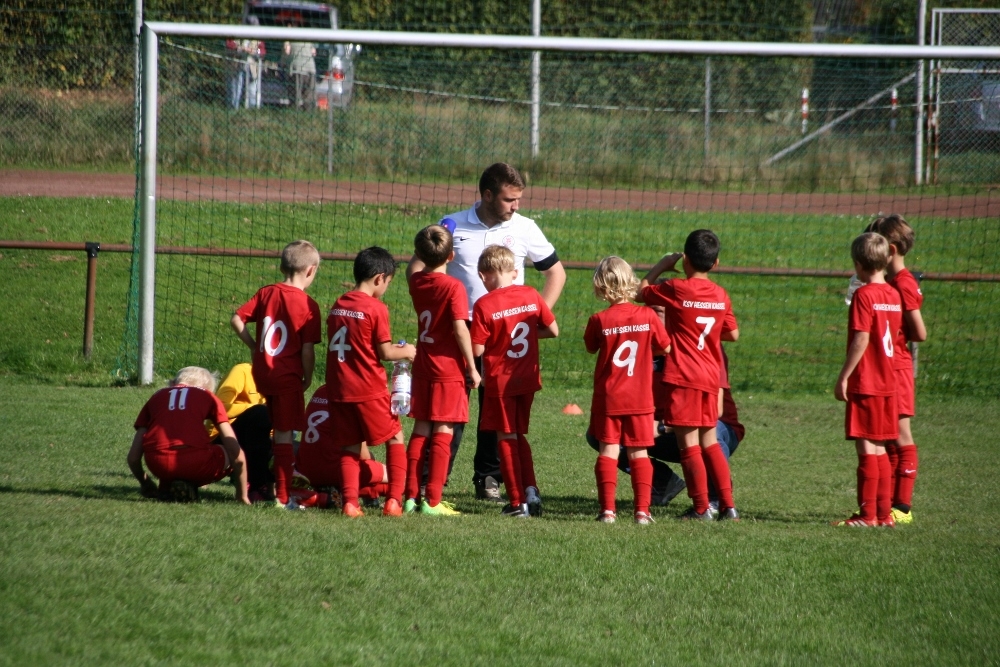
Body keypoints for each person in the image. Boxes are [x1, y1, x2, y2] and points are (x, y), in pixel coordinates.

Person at [406, 162, 566, 503]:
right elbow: (417, 268)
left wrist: (532, 318)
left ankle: (488, 478)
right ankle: (432, 480)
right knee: (449, 412)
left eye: (519, 199)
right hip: (459, 334)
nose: (516, 206)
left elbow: (556, 273)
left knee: (496, 414)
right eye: (510, 199)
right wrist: (430, 307)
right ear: (488, 195)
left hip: (505, 338)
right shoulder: (453, 224)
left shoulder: (525, 228)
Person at [636, 229, 740, 521]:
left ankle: (700, 508)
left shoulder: (677, 289)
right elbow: (732, 333)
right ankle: (728, 506)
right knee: (709, 442)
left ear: (684, 260)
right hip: (709, 375)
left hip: (683, 375)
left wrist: (661, 266)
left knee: (689, 445)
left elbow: (641, 291)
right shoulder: (720, 294)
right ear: (716, 263)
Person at [325, 246, 416, 518]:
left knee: (349, 447)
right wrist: (408, 351)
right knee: (395, 437)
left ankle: (350, 504)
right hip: (369, 388)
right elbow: (386, 352)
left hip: (340, 388)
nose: (386, 288)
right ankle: (394, 502)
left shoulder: (339, 304)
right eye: (387, 283)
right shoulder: (376, 308)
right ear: (379, 278)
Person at [231, 240, 322, 507]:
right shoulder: (308, 305)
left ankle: (267, 484)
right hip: (286, 377)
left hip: (263, 374)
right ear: (310, 271)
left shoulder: (266, 292)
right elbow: (307, 351)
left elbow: (236, 319)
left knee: (275, 428)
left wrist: (254, 346)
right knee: (284, 435)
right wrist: (307, 376)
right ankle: (283, 497)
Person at [470, 245, 559, 518]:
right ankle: (531, 490)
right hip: (527, 378)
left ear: (483, 277)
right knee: (519, 434)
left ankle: (517, 501)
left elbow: (476, 350)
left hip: (501, 381)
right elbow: (552, 330)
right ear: (515, 272)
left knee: (505, 437)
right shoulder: (531, 294)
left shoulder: (484, 304)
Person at [584, 256, 671, 524]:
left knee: (608, 451)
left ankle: (607, 511)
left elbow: (590, 346)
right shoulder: (647, 315)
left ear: (600, 287)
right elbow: (665, 347)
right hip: (640, 397)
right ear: (631, 281)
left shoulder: (599, 319)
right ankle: (642, 512)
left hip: (609, 397)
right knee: (639, 452)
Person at [404, 225, 480, 516]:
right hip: (448, 367)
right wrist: (472, 368)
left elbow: (415, 266)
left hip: (423, 363)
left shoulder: (416, 282)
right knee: (444, 428)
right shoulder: (453, 287)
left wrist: (423, 245)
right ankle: (433, 501)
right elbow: (460, 329)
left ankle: (411, 497)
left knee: (421, 427)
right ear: (452, 255)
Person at [833, 233, 904, 528]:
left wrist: (844, 377)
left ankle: (866, 515)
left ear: (859, 264)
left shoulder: (864, 296)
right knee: (880, 450)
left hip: (867, 381)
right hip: (889, 382)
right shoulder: (893, 294)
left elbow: (862, 339)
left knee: (867, 451)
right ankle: (884, 515)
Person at [864, 215, 926, 525]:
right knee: (887, 436)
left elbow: (919, 332)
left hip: (898, 368)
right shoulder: (890, 283)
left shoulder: (904, 283)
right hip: (886, 368)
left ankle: (902, 507)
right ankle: (885, 505)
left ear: (890, 249)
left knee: (901, 436)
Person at [128, 366, 249, 505]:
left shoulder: (156, 397)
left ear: (173, 383)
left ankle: (167, 487)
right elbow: (236, 453)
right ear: (207, 388)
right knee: (225, 451)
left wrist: (145, 483)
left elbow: (133, 458)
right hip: (196, 463)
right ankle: (191, 483)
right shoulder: (208, 396)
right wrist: (242, 495)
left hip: (158, 464)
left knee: (170, 456)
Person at [297, 384, 390, 507]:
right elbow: (363, 455)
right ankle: (370, 495)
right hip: (335, 468)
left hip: (306, 469)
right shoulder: (354, 395)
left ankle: (326, 495)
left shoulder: (321, 390)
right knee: (398, 477)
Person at [209, 362, 273, 502]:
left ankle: (288, 492)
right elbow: (219, 407)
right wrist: (258, 407)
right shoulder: (242, 371)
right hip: (223, 437)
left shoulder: (284, 381)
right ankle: (256, 487)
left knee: (293, 447)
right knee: (261, 413)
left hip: (258, 438)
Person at [225, 16, 265, 109]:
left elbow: (262, 51)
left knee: (252, 88)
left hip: (252, 67)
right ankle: (233, 107)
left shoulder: (258, 38)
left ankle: (252, 108)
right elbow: (229, 45)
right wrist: (241, 49)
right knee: (235, 87)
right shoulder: (238, 33)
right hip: (237, 66)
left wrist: (254, 51)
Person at [282, 23, 316, 111]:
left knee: (295, 93)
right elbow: (314, 52)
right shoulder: (307, 35)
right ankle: (307, 112)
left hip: (297, 68)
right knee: (308, 94)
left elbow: (287, 51)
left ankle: (295, 111)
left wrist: (283, 63)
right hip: (310, 68)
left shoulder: (289, 37)